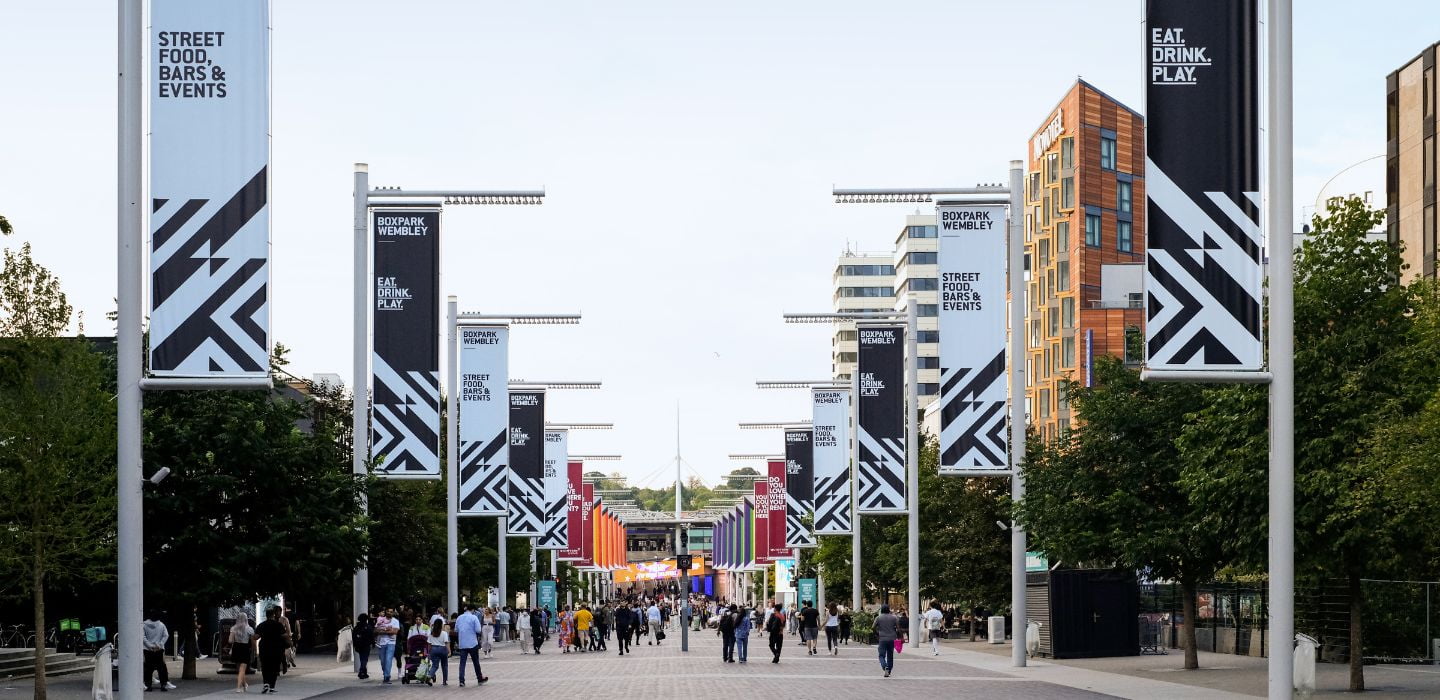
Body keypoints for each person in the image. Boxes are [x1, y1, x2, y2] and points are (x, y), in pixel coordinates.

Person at [255, 607, 290, 694]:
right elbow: (285, 635)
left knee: (265, 667)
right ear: (273, 615)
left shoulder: (262, 625)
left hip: (264, 648)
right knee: (274, 668)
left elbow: (256, 637)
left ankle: (266, 683)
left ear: (266, 615)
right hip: (276, 649)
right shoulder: (278, 625)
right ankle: (272, 687)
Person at [142, 609, 172, 692]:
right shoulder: (162, 625)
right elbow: (166, 635)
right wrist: (160, 644)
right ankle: (163, 684)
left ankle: (148, 685)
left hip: (148, 650)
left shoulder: (144, 625)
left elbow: (143, 637)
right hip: (159, 649)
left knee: (148, 667)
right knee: (161, 667)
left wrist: (150, 646)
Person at [454, 604, 483, 685]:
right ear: (473, 610)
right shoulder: (474, 617)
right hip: (472, 643)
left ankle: (461, 680)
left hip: (462, 643)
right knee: (476, 662)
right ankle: (479, 678)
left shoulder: (459, 617)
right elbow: (478, 630)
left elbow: (456, 629)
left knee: (462, 663)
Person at [874, 605, 902, 678]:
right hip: (892, 638)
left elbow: (873, 627)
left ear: (881, 610)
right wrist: (900, 637)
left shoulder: (878, 618)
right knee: (890, 655)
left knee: (881, 655)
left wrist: (877, 634)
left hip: (882, 638)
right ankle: (889, 671)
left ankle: (885, 666)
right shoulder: (894, 617)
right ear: (889, 610)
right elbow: (898, 628)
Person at [230, 612, 255, 693]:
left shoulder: (233, 628)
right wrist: (254, 650)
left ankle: (244, 684)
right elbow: (253, 642)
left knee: (239, 669)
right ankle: (238, 687)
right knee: (242, 669)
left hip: (236, 648)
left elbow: (230, 640)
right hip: (245, 648)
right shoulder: (249, 629)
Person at [374, 609, 399, 684]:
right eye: (388, 611)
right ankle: (385, 673)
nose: (389, 613)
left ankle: (386, 676)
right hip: (381, 643)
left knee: (388, 659)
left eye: (391, 612)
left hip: (391, 642)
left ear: (393, 613)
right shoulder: (381, 620)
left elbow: (394, 632)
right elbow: (375, 631)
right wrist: (387, 630)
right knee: (382, 660)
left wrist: (382, 631)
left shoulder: (395, 621)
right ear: (386, 612)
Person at [352, 613, 375, 680]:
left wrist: (355, 645)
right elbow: (371, 636)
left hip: (359, 645)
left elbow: (353, 637)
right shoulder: (368, 627)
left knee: (362, 657)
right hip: (366, 645)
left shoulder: (356, 627)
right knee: (364, 659)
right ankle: (362, 671)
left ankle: (364, 672)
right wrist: (373, 643)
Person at [427, 620, 450, 686]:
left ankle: (430, 675)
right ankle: (444, 681)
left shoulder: (431, 633)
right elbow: (446, 642)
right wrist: (449, 651)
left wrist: (429, 652)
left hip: (433, 649)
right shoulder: (444, 633)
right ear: (441, 625)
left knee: (435, 665)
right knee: (444, 665)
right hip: (442, 649)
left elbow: (429, 644)